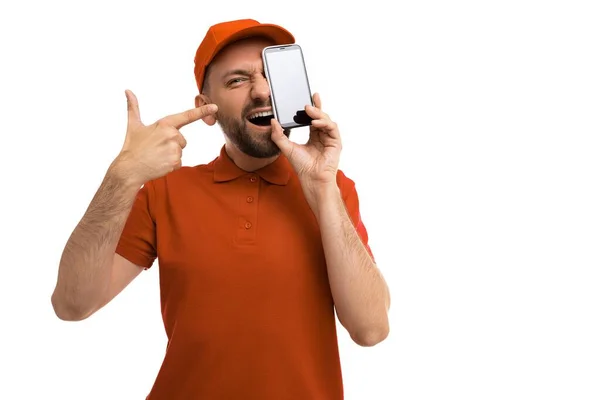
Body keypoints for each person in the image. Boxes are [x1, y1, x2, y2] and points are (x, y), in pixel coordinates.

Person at [51, 18, 391, 400]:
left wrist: (322, 188)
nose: (262, 91)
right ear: (205, 109)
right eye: (237, 80)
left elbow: (371, 329)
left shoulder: (333, 189)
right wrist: (122, 176)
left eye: (271, 75)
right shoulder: (164, 191)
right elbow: (71, 304)